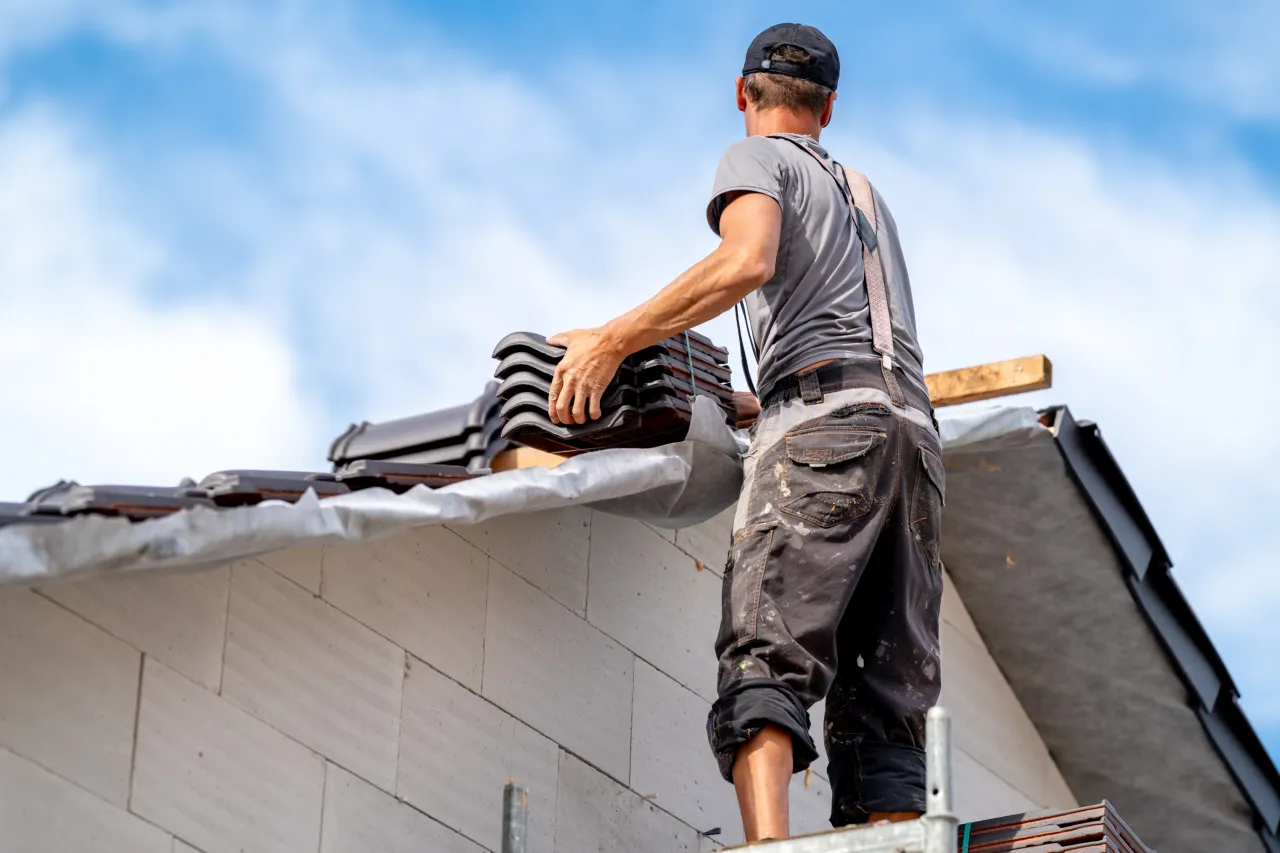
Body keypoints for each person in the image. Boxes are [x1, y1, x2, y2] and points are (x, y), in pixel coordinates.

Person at [546, 22, 944, 842]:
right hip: (912, 442)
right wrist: (753, 400)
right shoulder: (868, 195)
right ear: (828, 107)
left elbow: (747, 260)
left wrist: (614, 340)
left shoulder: (757, 159)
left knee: (767, 652)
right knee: (886, 687)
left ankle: (768, 845)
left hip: (825, 431)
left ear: (742, 95)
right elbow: (856, 343)